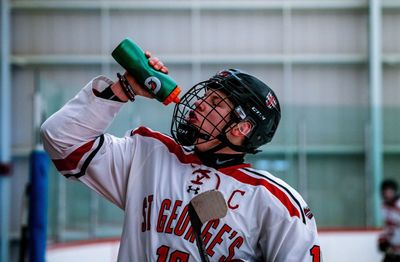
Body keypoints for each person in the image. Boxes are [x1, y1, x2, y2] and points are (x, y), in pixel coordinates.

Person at [41, 52, 320, 261]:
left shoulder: (277, 202)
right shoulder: (148, 154)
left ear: (242, 128)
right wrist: (123, 89)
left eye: (215, 102)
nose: (198, 102)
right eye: (206, 96)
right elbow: (61, 139)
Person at [378, 179, 400, 262]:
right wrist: (383, 239)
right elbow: (388, 227)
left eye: (390, 192)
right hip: (392, 250)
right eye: (385, 192)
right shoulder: (384, 207)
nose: (387, 195)